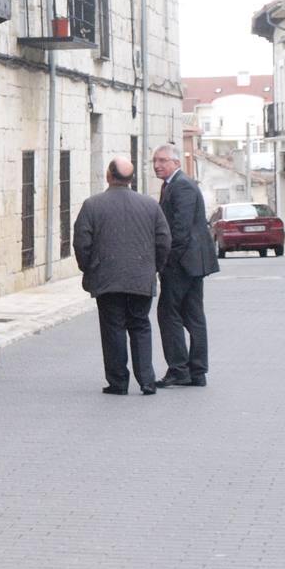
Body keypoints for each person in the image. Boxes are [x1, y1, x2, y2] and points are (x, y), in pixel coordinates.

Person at [73, 157, 171, 396]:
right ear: (131, 179)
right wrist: (154, 267)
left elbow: (81, 242)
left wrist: (89, 267)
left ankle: (118, 381)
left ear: (108, 175)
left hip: (107, 278)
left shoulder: (92, 205)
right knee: (140, 325)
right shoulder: (149, 205)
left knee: (113, 327)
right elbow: (164, 240)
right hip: (140, 277)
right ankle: (147, 380)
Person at [152, 144, 219, 388]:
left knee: (169, 314)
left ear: (176, 163)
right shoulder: (173, 184)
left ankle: (180, 369)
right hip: (190, 262)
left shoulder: (181, 185)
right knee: (192, 315)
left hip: (183, 263)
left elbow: (179, 230)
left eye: (162, 160)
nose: (157, 165)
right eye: (155, 161)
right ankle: (196, 372)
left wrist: (166, 261)